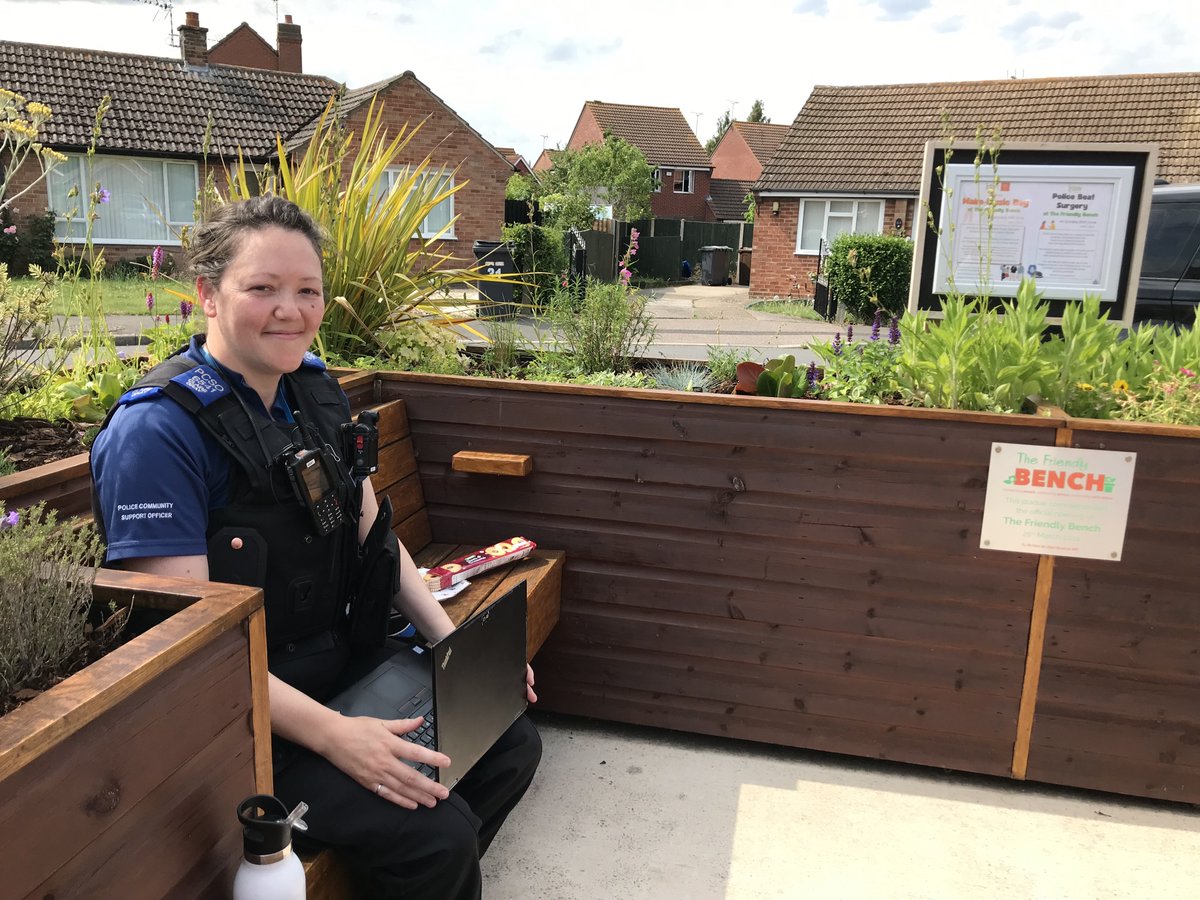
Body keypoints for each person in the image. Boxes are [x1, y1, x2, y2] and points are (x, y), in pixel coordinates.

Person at [90, 196, 540, 899]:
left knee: (510, 745)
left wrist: (458, 650)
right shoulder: (157, 435)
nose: (290, 311)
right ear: (207, 294)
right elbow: (193, 652)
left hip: (341, 666)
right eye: (262, 288)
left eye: (308, 291)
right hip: (241, 719)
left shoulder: (311, 394)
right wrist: (336, 737)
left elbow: (370, 535)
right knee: (436, 838)